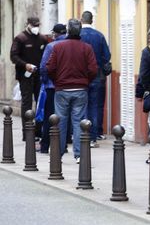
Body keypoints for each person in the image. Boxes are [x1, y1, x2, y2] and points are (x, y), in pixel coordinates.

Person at [46, 19, 97, 163]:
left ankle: (59, 153)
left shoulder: (58, 47)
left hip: (62, 89)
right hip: (80, 89)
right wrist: (86, 81)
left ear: (68, 30)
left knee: (60, 121)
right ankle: (79, 155)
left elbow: (49, 68)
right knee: (78, 121)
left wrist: (57, 80)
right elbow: (93, 69)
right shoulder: (86, 48)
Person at [10, 16, 49, 141]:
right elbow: (13, 56)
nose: (35, 28)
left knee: (40, 103)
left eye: (37, 25)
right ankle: (26, 132)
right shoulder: (20, 38)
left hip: (39, 75)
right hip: (25, 76)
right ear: (28, 24)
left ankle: (38, 131)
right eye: (33, 25)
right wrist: (25, 65)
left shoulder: (42, 39)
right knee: (27, 103)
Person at [80, 11, 111, 148]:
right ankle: (94, 135)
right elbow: (107, 56)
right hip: (97, 75)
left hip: (80, 76)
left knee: (81, 106)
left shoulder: (77, 35)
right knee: (95, 106)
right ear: (92, 20)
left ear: (81, 20)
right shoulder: (99, 36)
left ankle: (82, 134)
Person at [38, 23, 67, 153]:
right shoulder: (71, 45)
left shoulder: (51, 46)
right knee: (65, 117)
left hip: (52, 86)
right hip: (67, 86)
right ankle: (63, 145)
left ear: (55, 34)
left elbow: (44, 67)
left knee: (49, 116)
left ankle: (45, 145)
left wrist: (45, 81)